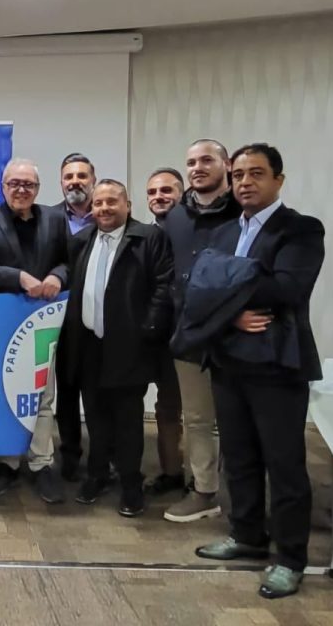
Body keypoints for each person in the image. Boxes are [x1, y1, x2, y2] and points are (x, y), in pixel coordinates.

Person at [194, 144, 325, 600]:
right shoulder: (224, 232)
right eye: (238, 175)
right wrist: (231, 313)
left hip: (277, 362)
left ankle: (289, 558)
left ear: (278, 180)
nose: (245, 182)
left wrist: (224, 289)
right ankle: (247, 535)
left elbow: (287, 288)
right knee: (239, 456)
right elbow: (199, 290)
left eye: (257, 174)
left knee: (283, 463)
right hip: (228, 359)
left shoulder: (301, 229)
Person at [57, 180, 173, 517]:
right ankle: (97, 475)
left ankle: (131, 483)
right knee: (95, 416)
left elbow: (164, 286)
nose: (104, 208)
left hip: (130, 346)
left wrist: (148, 329)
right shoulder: (82, 240)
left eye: (112, 202)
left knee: (128, 420)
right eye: (99, 203)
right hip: (88, 345)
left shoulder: (148, 238)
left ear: (127, 205)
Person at [0, 159, 69, 504]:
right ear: (2, 186)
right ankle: (6, 463)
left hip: (42, 324)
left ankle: (42, 463)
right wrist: (18, 278)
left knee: (43, 396)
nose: (21, 190)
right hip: (3, 324)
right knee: (6, 395)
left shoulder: (55, 218)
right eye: (15, 184)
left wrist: (57, 276)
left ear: (37, 189)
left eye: (28, 184)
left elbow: (70, 261)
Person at [158, 139, 241, 523]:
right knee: (197, 419)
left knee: (241, 419)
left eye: (207, 160)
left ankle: (245, 498)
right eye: (191, 162)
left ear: (226, 164)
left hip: (236, 334)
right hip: (189, 334)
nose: (197, 167)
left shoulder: (245, 212)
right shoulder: (175, 217)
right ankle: (205, 492)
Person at [52, 153, 97, 478]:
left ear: (93, 180)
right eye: (69, 176)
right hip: (61, 319)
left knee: (98, 393)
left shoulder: (110, 214)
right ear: (61, 182)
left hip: (100, 318)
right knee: (66, 391)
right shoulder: (49, 217)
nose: (75, 182)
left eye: (82, 176)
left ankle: (103, 457)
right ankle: (69, 454)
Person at [142, 166, 186, 495]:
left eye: (167, 190)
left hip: (183, 337)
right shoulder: (142, 235)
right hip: (147, 335)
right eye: (153, 192)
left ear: (182, 194)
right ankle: (170, 473)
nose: (159, 197)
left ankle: (197, 483)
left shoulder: (194, 234)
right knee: (162, 409)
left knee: (186, 411)